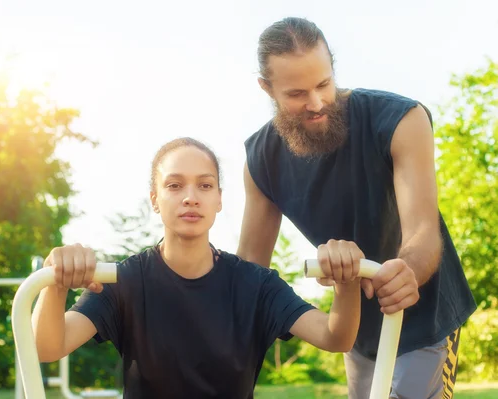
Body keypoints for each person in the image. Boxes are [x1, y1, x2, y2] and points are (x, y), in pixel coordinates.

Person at [237, 17, 477, 399]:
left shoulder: (400, 119)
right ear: (267, 88)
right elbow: (249, 270)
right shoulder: (261, 160)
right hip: (356, 327)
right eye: (297, 93)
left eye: (323, 84)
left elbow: (423, 232)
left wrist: (407, 270)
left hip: (424, 311)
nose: (316, 103)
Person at [32, 137, 363, 398]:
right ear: (154, 199)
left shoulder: (255, 285)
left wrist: (346, 282)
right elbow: (47, 347)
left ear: (219, 199)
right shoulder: (127, 280)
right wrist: (55, 284)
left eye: (204, 185)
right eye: (174, 185)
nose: (190, 197)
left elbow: (335, 337)